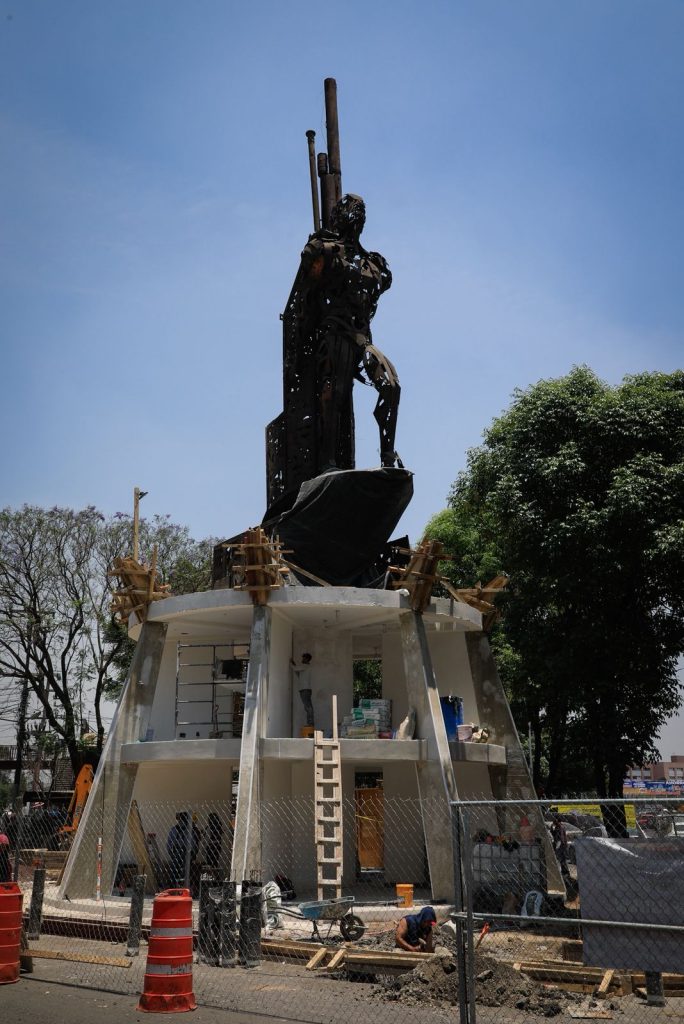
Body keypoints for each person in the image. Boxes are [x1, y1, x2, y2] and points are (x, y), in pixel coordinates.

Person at [290, 194, 401, 471]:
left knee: (391, 385)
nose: (356, 213)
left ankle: (387, 456)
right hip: (334, 333)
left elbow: (379, 288)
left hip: (361, 338)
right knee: (334, 393)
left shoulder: (372, 262)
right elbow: (307, 295)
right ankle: (328, 461)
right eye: (350, 209)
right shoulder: (324, 250)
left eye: (359, 210)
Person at [167, 812, 199, 887]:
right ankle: (182, 886)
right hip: (185, 854)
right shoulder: (190, 830)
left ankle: (175, 887)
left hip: (178, 854)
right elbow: (193, 844)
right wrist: (193, 854)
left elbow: (169, 845)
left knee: (176, 872)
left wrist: (172, 854)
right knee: (184, 872)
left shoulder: (174, 829)